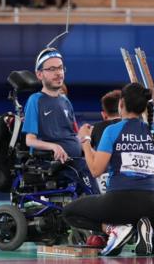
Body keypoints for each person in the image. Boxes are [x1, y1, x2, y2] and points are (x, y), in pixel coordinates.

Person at [63, 83, 154, 256]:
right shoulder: (152, 130)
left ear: (121, 104)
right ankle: (142, 232)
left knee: (69, 213)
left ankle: (115, 229)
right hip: (152, 203)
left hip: (118, 202)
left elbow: (95, 170)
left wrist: (84, 140)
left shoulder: (112, 131)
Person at [22, 47, 99, 195]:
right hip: (54, 162)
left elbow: (73, 135)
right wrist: (54, 146)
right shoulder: (35, 100)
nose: (58, 72)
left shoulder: (65, 101)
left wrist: (91, 149)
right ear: (39, 74)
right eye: (51, 69)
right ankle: (101, 215)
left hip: (75, 159)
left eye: (60, 68)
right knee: (88, 181)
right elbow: (30, 141)